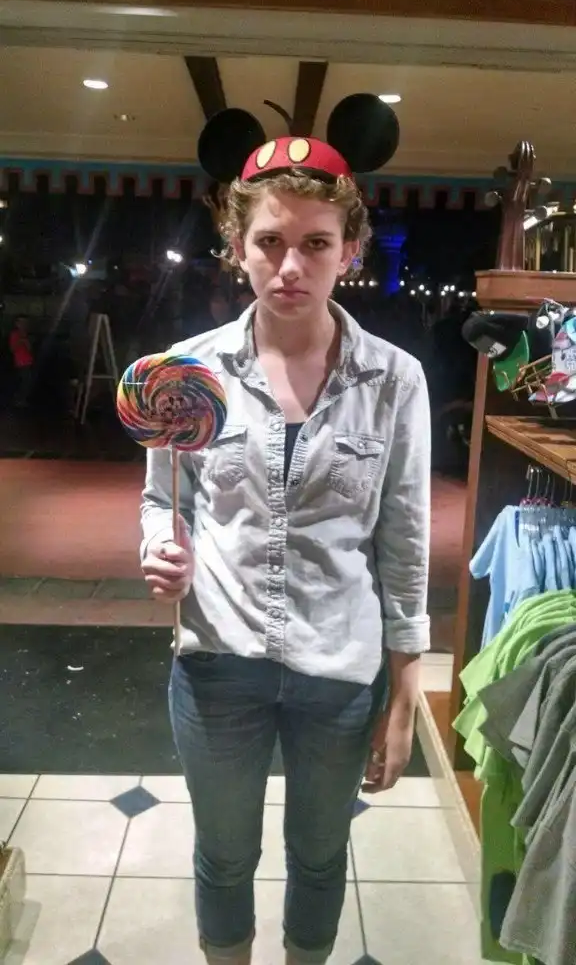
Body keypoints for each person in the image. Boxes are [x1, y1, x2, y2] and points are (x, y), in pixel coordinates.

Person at [140, 95, 431, 965]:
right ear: (237, 245)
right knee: (225, 855)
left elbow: (404, 542)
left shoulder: (394, 381)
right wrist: (160, 547)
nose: (291, 266)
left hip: (337, 670)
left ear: (351, 250)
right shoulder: (188, 373)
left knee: (318, 854)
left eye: (316, 244)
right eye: (270, 241)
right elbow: (162, 500)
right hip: (217, 662)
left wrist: (405, 695)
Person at [9, 315, 34, 407]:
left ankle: (20, 399)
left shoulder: (26, 334)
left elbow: (30, 349)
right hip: (21, 363)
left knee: (27, 382)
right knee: (25, 382)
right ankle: (19, 399)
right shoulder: (14, 334)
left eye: (25, 322)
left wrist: (26, 341)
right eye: (21, 322)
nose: (23, 324)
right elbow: (12, 349)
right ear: (16, 324)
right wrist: (21, 341)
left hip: (28, 361)